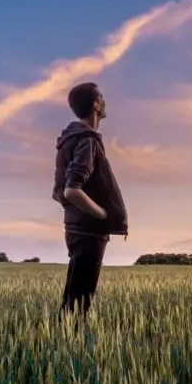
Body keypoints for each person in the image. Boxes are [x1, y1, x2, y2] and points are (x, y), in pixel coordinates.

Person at [52, 82, 128, 318]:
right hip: (88, 230)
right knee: (80, 300)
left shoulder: (72, 139)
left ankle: (64, 343)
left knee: (75, 295)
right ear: (95, 104)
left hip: (77, 226)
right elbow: (71, 190)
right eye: (101, 97)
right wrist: (102, 214)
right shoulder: (86, 140)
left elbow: (62, 189)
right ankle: (70, 348)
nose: (104, 101)